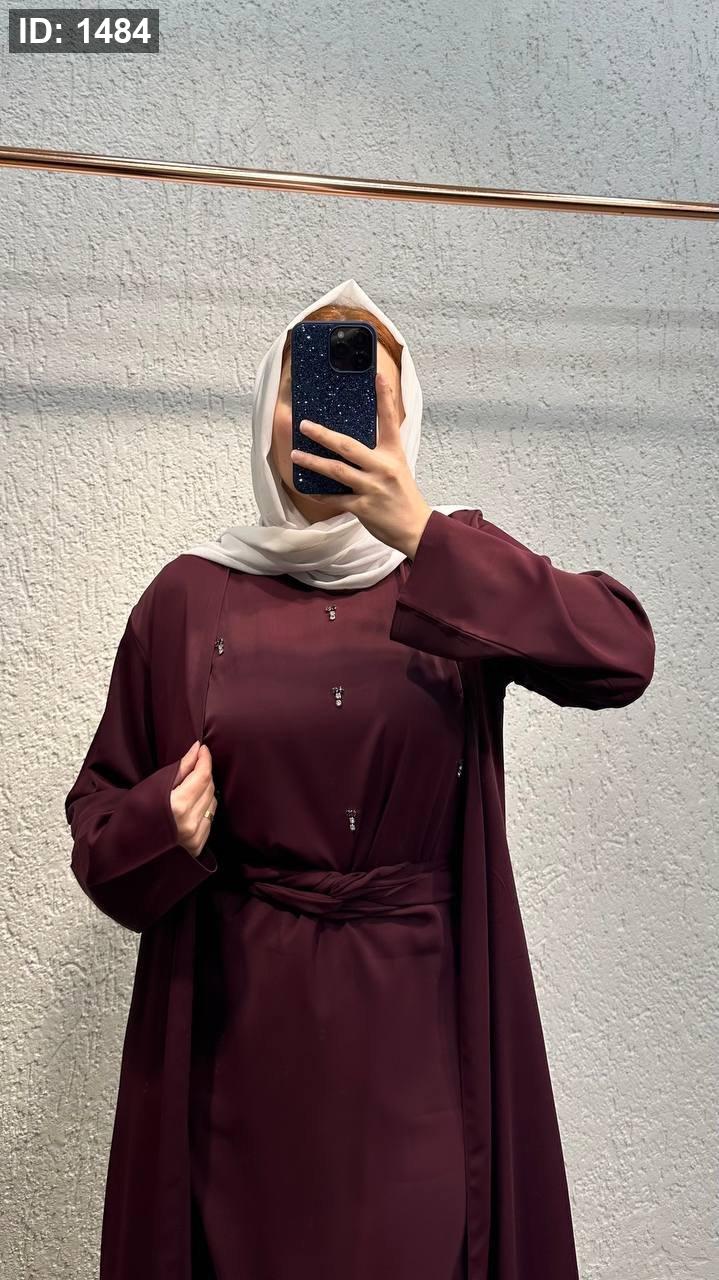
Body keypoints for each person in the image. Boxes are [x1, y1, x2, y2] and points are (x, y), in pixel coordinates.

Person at [65, 277, 656, 1280]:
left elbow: (621, 654)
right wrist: (163, 823)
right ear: (264, 417)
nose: (326, 422)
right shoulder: (188, 595)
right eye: (304, 394)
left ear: (403, 421)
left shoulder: (451, 567)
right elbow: (99, 823)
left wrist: (422, 530)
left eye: (361, 400)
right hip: (241, 1041)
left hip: (422, 1036)